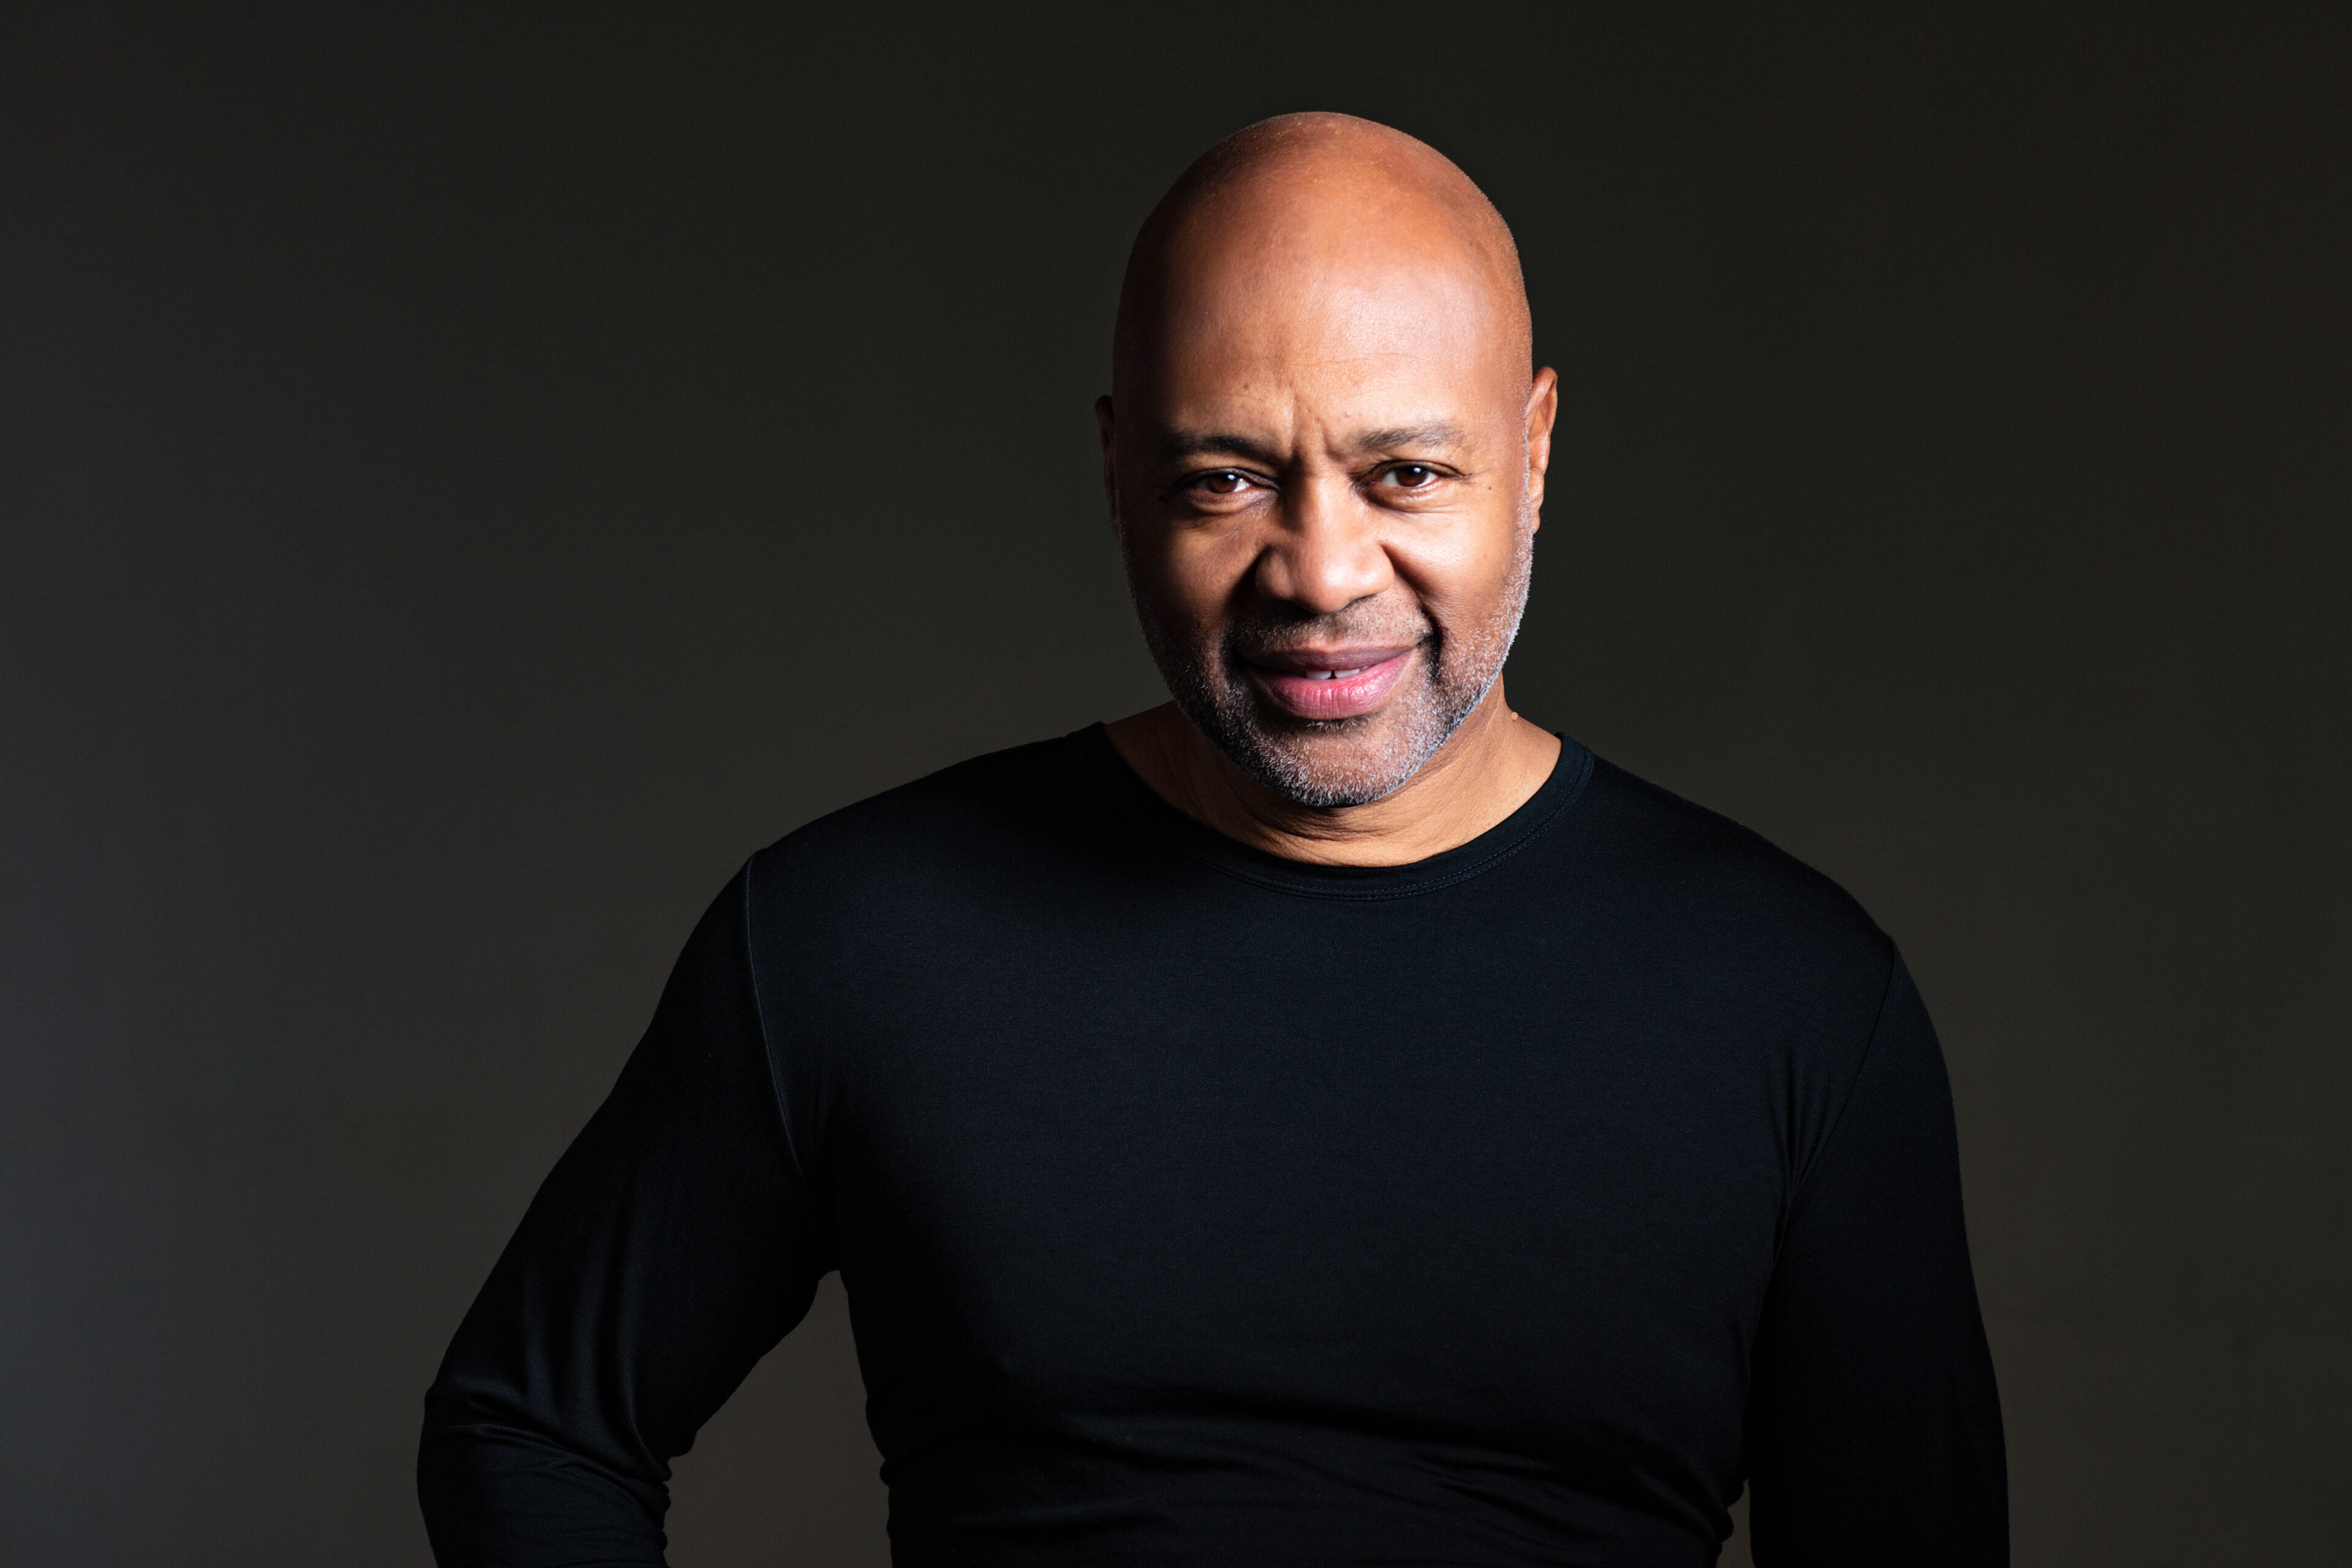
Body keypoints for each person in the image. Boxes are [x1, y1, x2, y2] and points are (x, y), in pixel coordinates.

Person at [418, 112, 2006, 1566]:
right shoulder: (855, 935)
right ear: (1118, 471)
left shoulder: (1794, 998)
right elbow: (533, 1427)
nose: (1320, 571)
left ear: (1532, 453)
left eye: (1407, 474)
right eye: (1227, 480)